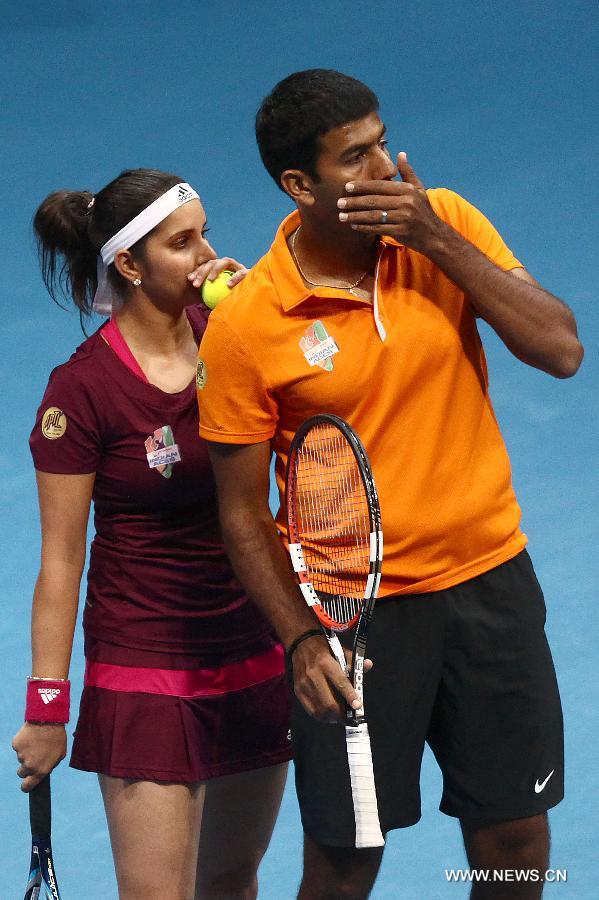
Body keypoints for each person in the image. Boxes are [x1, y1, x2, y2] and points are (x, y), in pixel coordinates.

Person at [195, 70, 584, 899]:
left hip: (491, 585)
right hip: (354, 620)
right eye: (353, 158)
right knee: (345, 863)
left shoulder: (444, 223)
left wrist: (438, 241)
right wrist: (302, 638)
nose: (383, 170)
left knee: (515, 841)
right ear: (300, 185)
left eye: (381, 143)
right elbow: (239, 513)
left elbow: (559, 350)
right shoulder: (247, 326)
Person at [12, 169, 291, 900]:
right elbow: (61, 562)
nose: (208, 253)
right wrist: (47, 708)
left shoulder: (231, 337)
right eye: (182, 241)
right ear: (128, 265)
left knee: (232, 882)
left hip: (253, 643)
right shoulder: (80, 391)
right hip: (144, 663)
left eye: (204, 231)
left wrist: (267, 313)